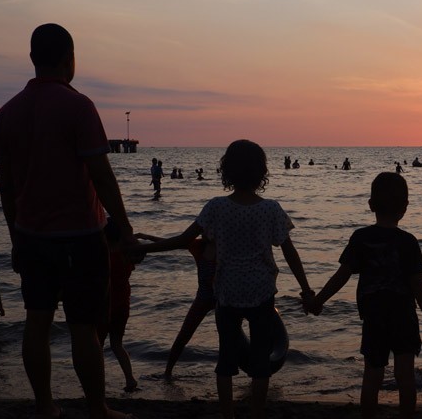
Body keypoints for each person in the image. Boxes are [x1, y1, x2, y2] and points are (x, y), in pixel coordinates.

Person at [0, 23, 138, 419]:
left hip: (30, 236)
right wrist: (124, 228)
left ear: (33, 58)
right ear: (69, 59)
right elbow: (102, 175)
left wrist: (15, 237)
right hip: (80, 237)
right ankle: (97, 408)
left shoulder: (6, 114)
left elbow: (7, 189)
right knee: (83, 327)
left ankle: (45, 406)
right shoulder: (78, 106)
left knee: (36, 322)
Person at [132, 139, 315, 419]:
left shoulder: (216, 207)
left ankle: (227, 413)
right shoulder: (271, 209)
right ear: (262, 172)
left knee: (226, 360)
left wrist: (142, 248)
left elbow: (183, 240)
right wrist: (306, 290)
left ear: (225, 171)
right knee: (260, 362)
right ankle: (256, 413)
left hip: (226, 292)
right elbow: (290, 252)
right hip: (261, 292)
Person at [309, 172, 422, 419]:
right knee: (405, 374)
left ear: (371, 204)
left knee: (372, 373)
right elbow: (418, 287)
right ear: (405, 207)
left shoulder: (361, 238)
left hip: (374, 317)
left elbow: (341, 276)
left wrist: (318, 301)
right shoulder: (408, 242)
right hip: (404, 317)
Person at [134, 233, 217, 380]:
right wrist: (148, 237)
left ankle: (240, 370)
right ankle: (168, 372)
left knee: (230, 336)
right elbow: (171, 243)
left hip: (224, 299)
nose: (207, 232)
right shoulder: (198, 246)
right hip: (203, 298)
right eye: (205, 228)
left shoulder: (226, 247)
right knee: (184, 334)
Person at [98, 218, 138, 393]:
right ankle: (130, 379)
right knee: (117, 344)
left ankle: (96, 382)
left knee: (96, 346)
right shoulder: (125, 255)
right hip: (123, 306)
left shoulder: (102, 256)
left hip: (104, 306)